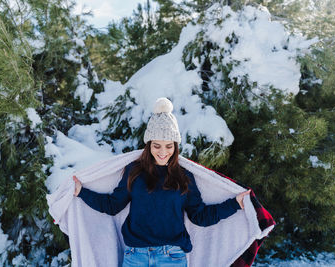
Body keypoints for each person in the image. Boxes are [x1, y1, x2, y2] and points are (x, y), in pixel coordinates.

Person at [72, 97, 251, 267]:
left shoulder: (184, 176)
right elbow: (112, 206)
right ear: (149, 145)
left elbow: (200, 216)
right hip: (135, 257)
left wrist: (235, 204)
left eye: (169, 146)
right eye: (157, 145)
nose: (163, 152)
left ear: (175, 145)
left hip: (172, 258)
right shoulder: (134, 172)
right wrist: (81, 192)